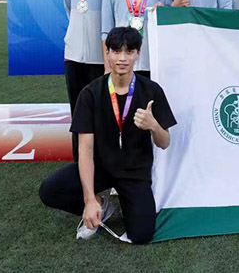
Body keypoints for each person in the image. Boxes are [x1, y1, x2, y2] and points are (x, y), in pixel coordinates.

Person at [39, 27, 177, 244]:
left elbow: (164, 142)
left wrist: (153, 126)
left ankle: (127, 201)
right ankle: (101, 205)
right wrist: (89, 200)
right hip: (100, 168)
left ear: (138, 54)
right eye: (116, 51)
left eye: (129, 51)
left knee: (141, 235)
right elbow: (85, 150)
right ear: (108, 53)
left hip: (134, 172)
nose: (122, 58)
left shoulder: (152, 90)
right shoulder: (90, 93)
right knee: (50, 191)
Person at [62, 0, 122, 160]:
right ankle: (80, 167)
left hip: (102, 59)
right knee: (78, 114)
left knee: (104, 114)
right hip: (74, 55)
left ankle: (105, 169)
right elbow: (71, 8)